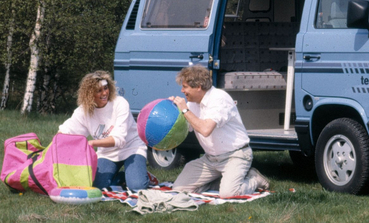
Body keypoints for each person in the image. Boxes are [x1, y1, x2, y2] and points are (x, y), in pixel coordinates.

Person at [169, 65, 269, 197]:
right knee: (179, 189)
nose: (182, 91)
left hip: (235, 156)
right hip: (210, 159)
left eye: (185, 87)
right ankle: (224, 181)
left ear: (198, 86)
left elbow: (205, 129)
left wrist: (185, 110)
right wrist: (172, 111)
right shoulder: (193, 102)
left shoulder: (219, 98)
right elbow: (185, 128)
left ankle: (254, 179)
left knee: (229, 194)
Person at [59, 70, 150, 191]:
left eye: (106, 88)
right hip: (107, 153)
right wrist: (55, 146)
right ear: (89, 94)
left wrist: (92, 143)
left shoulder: (120, 103)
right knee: (97, 186)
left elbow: (119, 139)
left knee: (137, 187)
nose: (104, 93)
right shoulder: (83, 111)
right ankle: (124, 177)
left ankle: (138, 175)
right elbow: (66, 131)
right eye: (99, 90)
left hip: (132, 148)